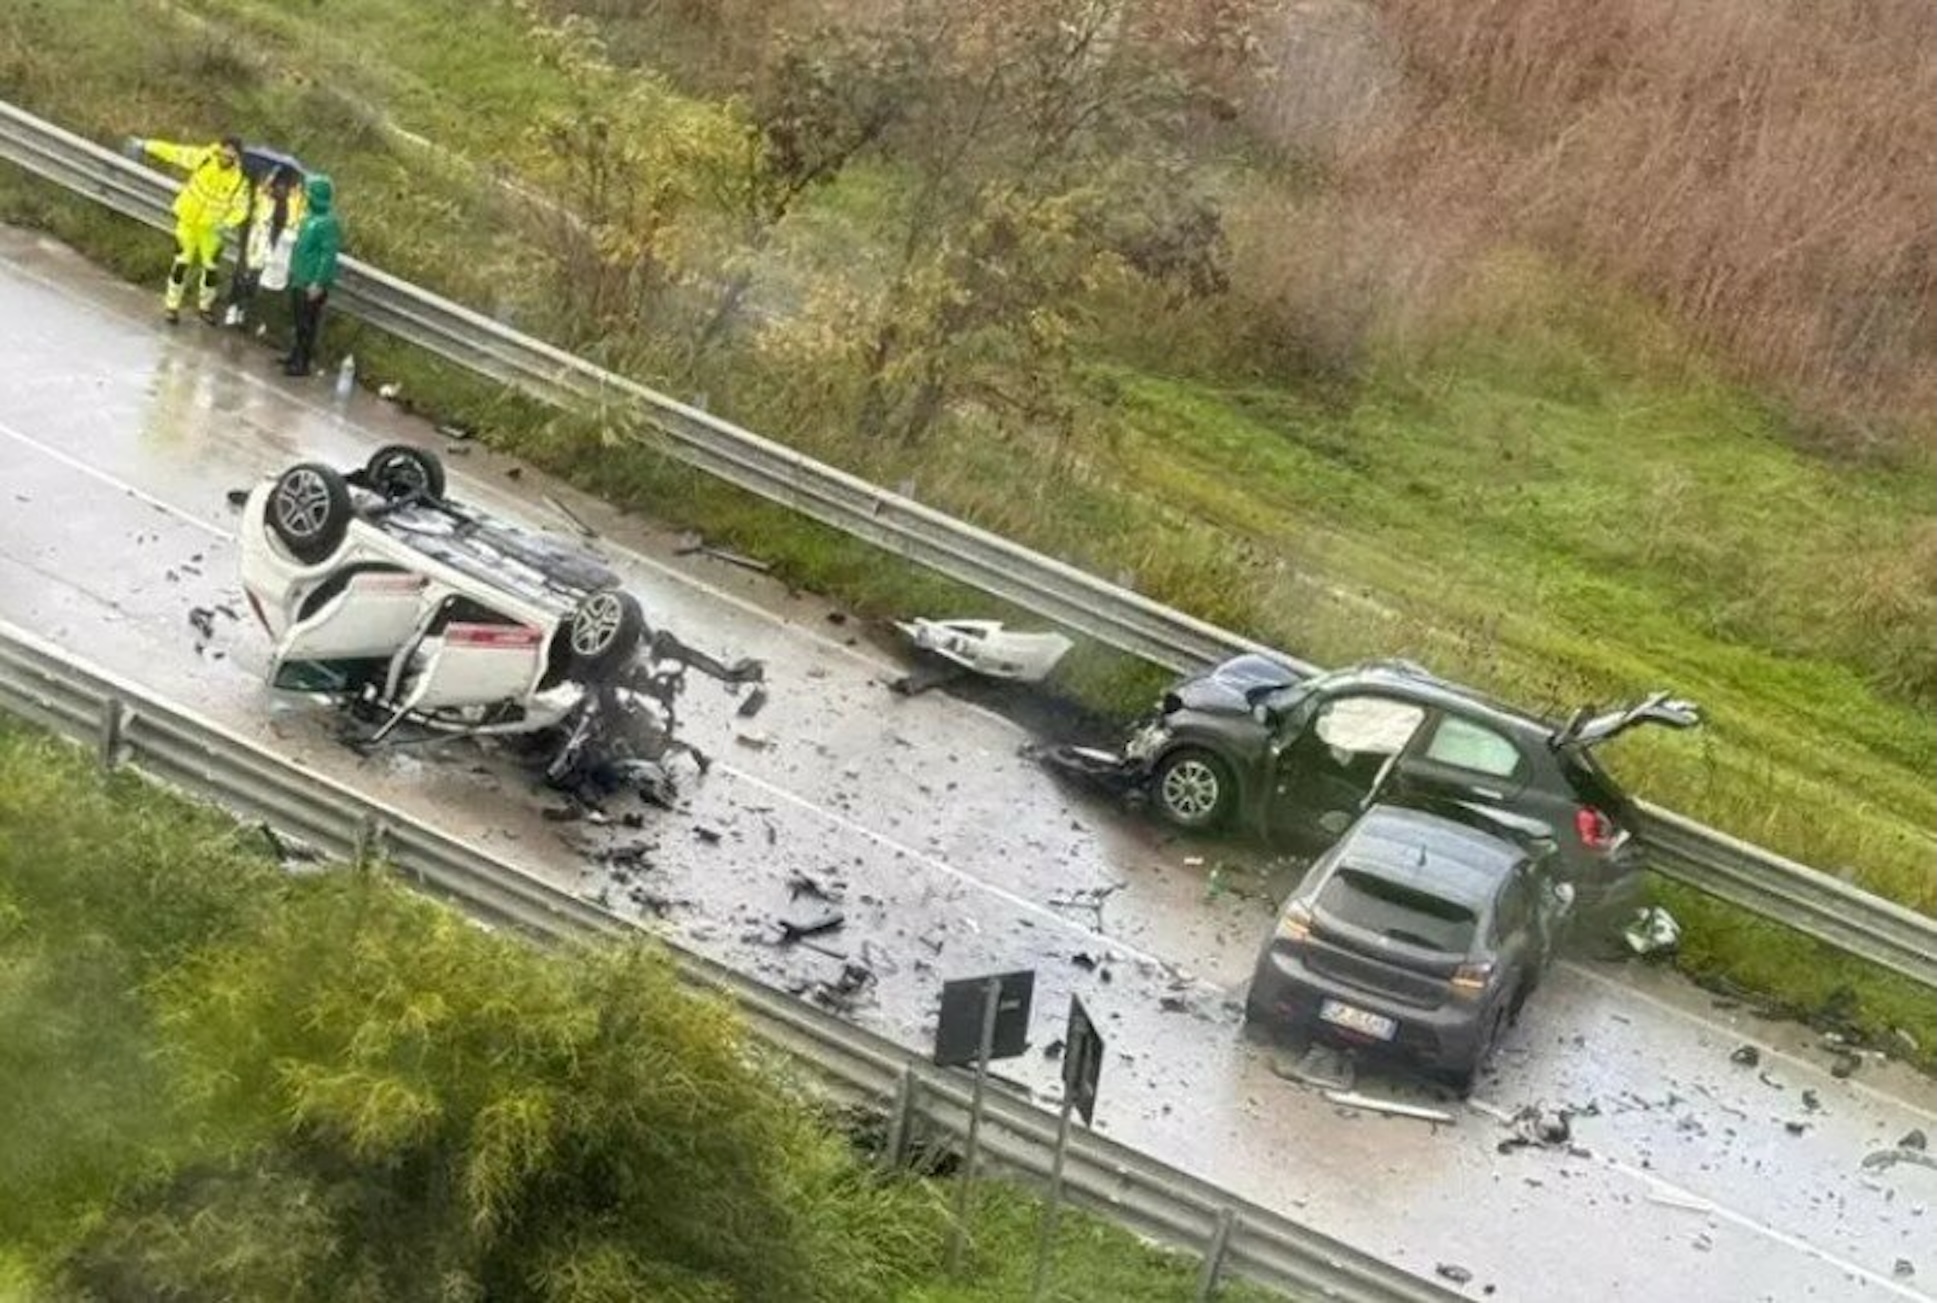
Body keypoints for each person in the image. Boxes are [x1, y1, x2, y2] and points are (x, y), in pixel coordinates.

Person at [120, 134, 251, 325]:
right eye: (223, 153)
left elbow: (241, 207)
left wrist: (228, 223)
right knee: (181, 263)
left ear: (236, 157)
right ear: (219, 150)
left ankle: (204, 307)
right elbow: (174, 153)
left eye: (230, 156)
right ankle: (171, 306)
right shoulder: (204, 159)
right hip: (188, 222)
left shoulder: (240, 180)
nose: (225, 158)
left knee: (211, 269)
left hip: (212, 229)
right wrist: (147, 145)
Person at [224, 151, 307, 328]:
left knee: (255, 278)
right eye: (280, 185)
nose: (282, 189)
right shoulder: (262, 193)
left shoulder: (291, 202)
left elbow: (290, 222)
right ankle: (232, 307)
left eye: (286, 186)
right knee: (242, 271)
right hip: (254, 235)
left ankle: (242, 309)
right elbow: (251, 211)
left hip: (271, 243)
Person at [281, 173, 342, 377]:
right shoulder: (309, 218)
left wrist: (318, 282)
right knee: (298, 321)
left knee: (307, 324)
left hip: (311, 282)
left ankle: (303, 362)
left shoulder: (328, 223)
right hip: (300, 276)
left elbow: (328, 255)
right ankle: (294, 354)